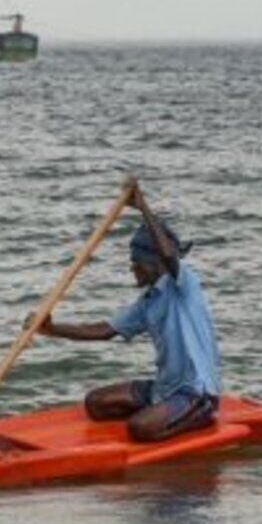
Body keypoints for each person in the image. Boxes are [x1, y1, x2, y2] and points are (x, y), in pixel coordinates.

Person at [36, 180, 221, 442]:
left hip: (195, 391)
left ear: (154, 263)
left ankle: (198, 416)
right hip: (165, 389)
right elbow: (104, 330)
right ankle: (164, 411)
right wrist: (52, 329)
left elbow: (169, 255)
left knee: (139, 428)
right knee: (96, 404)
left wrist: (142, 206)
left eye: (136, 262)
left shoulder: (183, 284)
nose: (132, 268)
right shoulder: (147, 303)